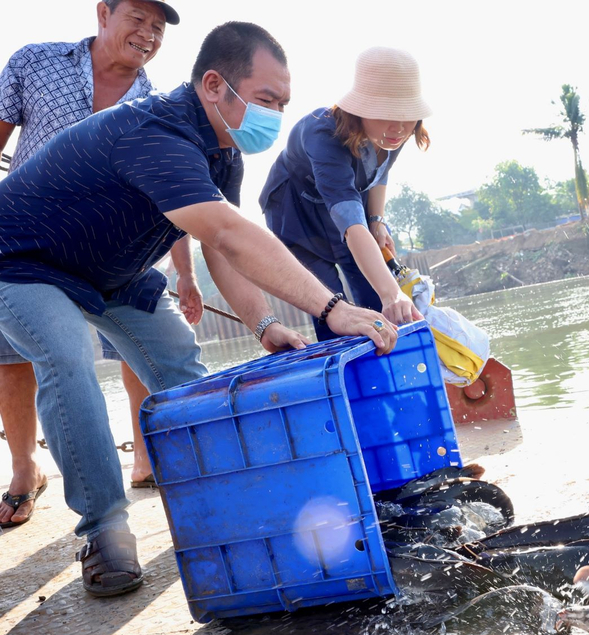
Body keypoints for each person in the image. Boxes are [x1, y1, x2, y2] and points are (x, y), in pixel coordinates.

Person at [0, 21, 397, 597]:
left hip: (114, 272)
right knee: (64, 355)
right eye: (264, 100)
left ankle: (222, 507)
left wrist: (264, 323)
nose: (275, 117)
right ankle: (104, 530)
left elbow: (221, 249)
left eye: (282, 104)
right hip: (23, 259)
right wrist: (331, 307)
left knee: (182, 368)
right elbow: (230, 234)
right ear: (214, 84)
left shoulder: (223, 155)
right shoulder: (156, 130)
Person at [0, 0, 202, 530]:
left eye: (158, 28)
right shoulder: (36, 62)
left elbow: (171, 205)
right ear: (103, 13)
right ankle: (31, 473)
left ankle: (157, 461)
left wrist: (185, 272)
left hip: (113, 259)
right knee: (32, 355)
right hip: (27, 248)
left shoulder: (155, 104)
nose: (148, 34)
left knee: (154, 350)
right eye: (137, 18)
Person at [260, 46, 429, 342]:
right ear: (362, 107)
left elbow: (380, 173)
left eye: (408, 115)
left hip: (351, 209)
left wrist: (376, 220)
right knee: (333, 309)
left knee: (377, 305)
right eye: (388, 113)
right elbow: (351, 224)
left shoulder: (394, 132)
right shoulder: (322, 133)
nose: (399, 127)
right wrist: (392, 294)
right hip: (298, 215)